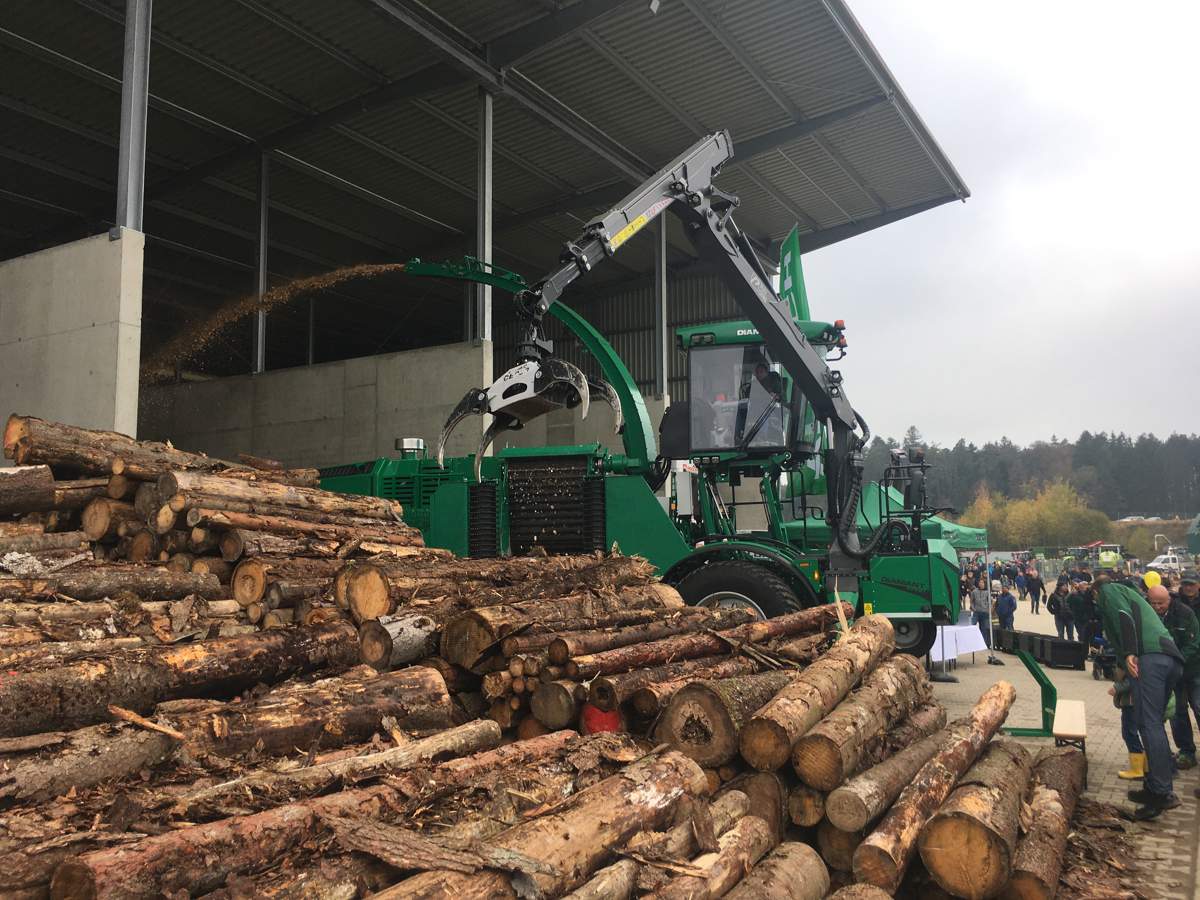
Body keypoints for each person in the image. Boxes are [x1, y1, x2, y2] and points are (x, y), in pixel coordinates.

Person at [1093, 577, 1185, 819]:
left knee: (1148, 724)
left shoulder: (1109, 590)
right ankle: (1155, 785)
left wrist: (1130, 652)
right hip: (1168, 658)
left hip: (1150, 658)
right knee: (1154, 724)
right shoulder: (1131, 593)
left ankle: (1161, 792)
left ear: (1096, 591)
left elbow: (1123, 617)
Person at [1147, 585, 1200, 770]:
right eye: (1153, 603)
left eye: (1160, 603)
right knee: (1177, 713)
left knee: (1198, 706)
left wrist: (1177, 659)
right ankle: (1187, 751)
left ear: (1169, 600)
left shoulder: (1185, 613)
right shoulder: (1148, 615)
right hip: (1171, 674)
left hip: (1193, 670)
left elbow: (1194, 644)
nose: (1156, 607)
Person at [1111, 663, 1146, 780]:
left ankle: (1137, 770)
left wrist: (1117, 688)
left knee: (1129, 734)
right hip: (1133, 703)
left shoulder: (1131, 659)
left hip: (1131, 704)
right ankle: (1144, 767)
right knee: (1131, 733)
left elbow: (1132, 680)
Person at [970, 579, 993, 648]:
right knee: (972, 625)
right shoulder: (974, 592)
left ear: (984, 584)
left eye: (982, 582)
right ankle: (972, 641)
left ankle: (983, 643)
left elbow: (991, 601)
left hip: (985, 613)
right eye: (980, 582)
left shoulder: (987, 592)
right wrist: (973, 608)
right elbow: (971, 601)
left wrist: (988, 609)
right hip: (976, 612)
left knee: (984, 629)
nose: (981, 583)